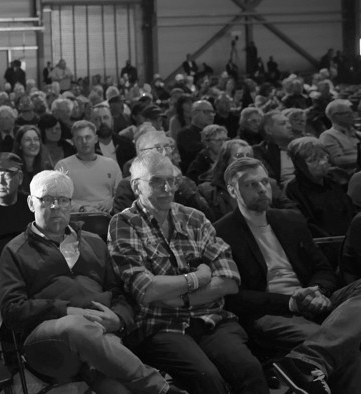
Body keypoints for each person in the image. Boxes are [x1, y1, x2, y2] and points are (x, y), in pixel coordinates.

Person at [0, 170, 181, 394]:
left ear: (71, 204)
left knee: (114, 385)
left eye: (63, 200)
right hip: (48, 341)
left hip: (100, 335)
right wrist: (68, 311)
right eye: (47, 199)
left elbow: (120, 293)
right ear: (30, 202)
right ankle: (161, 389)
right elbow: (12, 310)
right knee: (76, 327)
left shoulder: (94, 243)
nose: (56, 206)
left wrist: (119, 319)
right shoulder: (15, 250)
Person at [108, 150, 268, 394]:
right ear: (136, 186)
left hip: (210, 319)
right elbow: (146, 290)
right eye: (156, 181)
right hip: (158, 324)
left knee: (249, 369)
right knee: (207, 378)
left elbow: (229, 280)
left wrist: (181, 298)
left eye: (171, 180)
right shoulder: (124, 223)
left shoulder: (195, 218)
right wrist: (199, 278)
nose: (167, 188)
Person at [215, 157, 361, 394]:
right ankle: (310, 361)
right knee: (341, 344)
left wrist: (318, 291)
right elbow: (235, 297)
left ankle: (307, 360)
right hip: (271, 311)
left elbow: (322, 268)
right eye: (252, 185)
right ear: (233, 190)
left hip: (311, 298)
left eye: (264, 182)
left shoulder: (289, 219)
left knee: (340, 333)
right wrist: (291, 302)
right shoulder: (221, 232)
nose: (263, 189)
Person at [284, 137, 354, 237]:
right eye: (313, 160)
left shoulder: (336, 178)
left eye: (323, 157)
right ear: (300, 164)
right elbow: (306, 226)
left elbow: (350, 211)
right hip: (324, 244)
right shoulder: (293, 190)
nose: (323, 163)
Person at [55, 120, 121, 214]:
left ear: (96, 139)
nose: (84, 141)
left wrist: (112, 202)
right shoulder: (63, 166)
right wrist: (81, 208)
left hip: (108, 215)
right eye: (79, 138)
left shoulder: (111, 164)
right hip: (77, 218)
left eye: (88, 137)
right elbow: (60, 197)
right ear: (73, 141)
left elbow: (121, 194)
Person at [252, 111, 295, 186]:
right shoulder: (259, 152)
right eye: (283, 123)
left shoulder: (298, 147)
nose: (289, 126)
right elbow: (270, 180)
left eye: (288, 122)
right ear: (269, 130)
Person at [319, 99, 360, 172]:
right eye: (347, 113)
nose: (352, 115)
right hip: (351, 177)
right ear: (335, 116)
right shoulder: (328, 136)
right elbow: (337, 160)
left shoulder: (357, 133)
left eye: (351, 112)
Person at [176, 100, 215, 173]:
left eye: (212, 112)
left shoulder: (214, 133)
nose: (211, 115)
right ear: (194, 113)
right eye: (206, 112)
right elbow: (193, 153)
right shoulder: (184, 134)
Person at [12, 124, 55, 189]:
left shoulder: (47, 169)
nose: (33, 143)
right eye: (28, 140)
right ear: (19, 145)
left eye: (36, 139)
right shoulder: (11, 171)